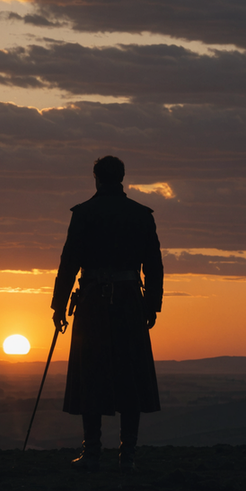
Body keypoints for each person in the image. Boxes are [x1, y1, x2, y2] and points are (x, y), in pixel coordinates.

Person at [51, 155, 163, 472]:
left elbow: (68, 263)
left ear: (96, 178)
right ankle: (127, 455)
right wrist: (153, 304)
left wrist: (59, 305)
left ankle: (92, 453)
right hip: (130, 303)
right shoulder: (142, 216)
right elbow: (154, 266)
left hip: (92, 304)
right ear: (122, 178)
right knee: (129, 374)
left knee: (92, 375)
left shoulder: (84, 214)